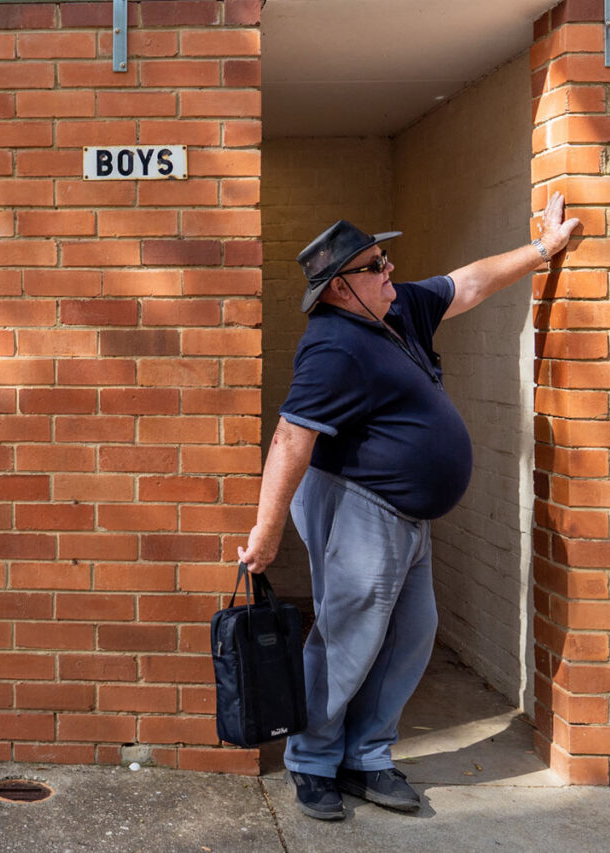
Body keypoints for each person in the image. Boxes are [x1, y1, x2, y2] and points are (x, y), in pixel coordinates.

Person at [237, 192, 580, 821]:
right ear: (341, 287)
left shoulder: (396, 311)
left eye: (385, 257)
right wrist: (266, 532)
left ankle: (366, 756)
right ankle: (312, 762)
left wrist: (542, 251)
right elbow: (292, 436)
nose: (389, 269)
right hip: (357, 505)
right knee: (349, 637)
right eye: (375, 264)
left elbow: (468, 284)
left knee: (408, 635)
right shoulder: (333, 345)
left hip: (404, 514)